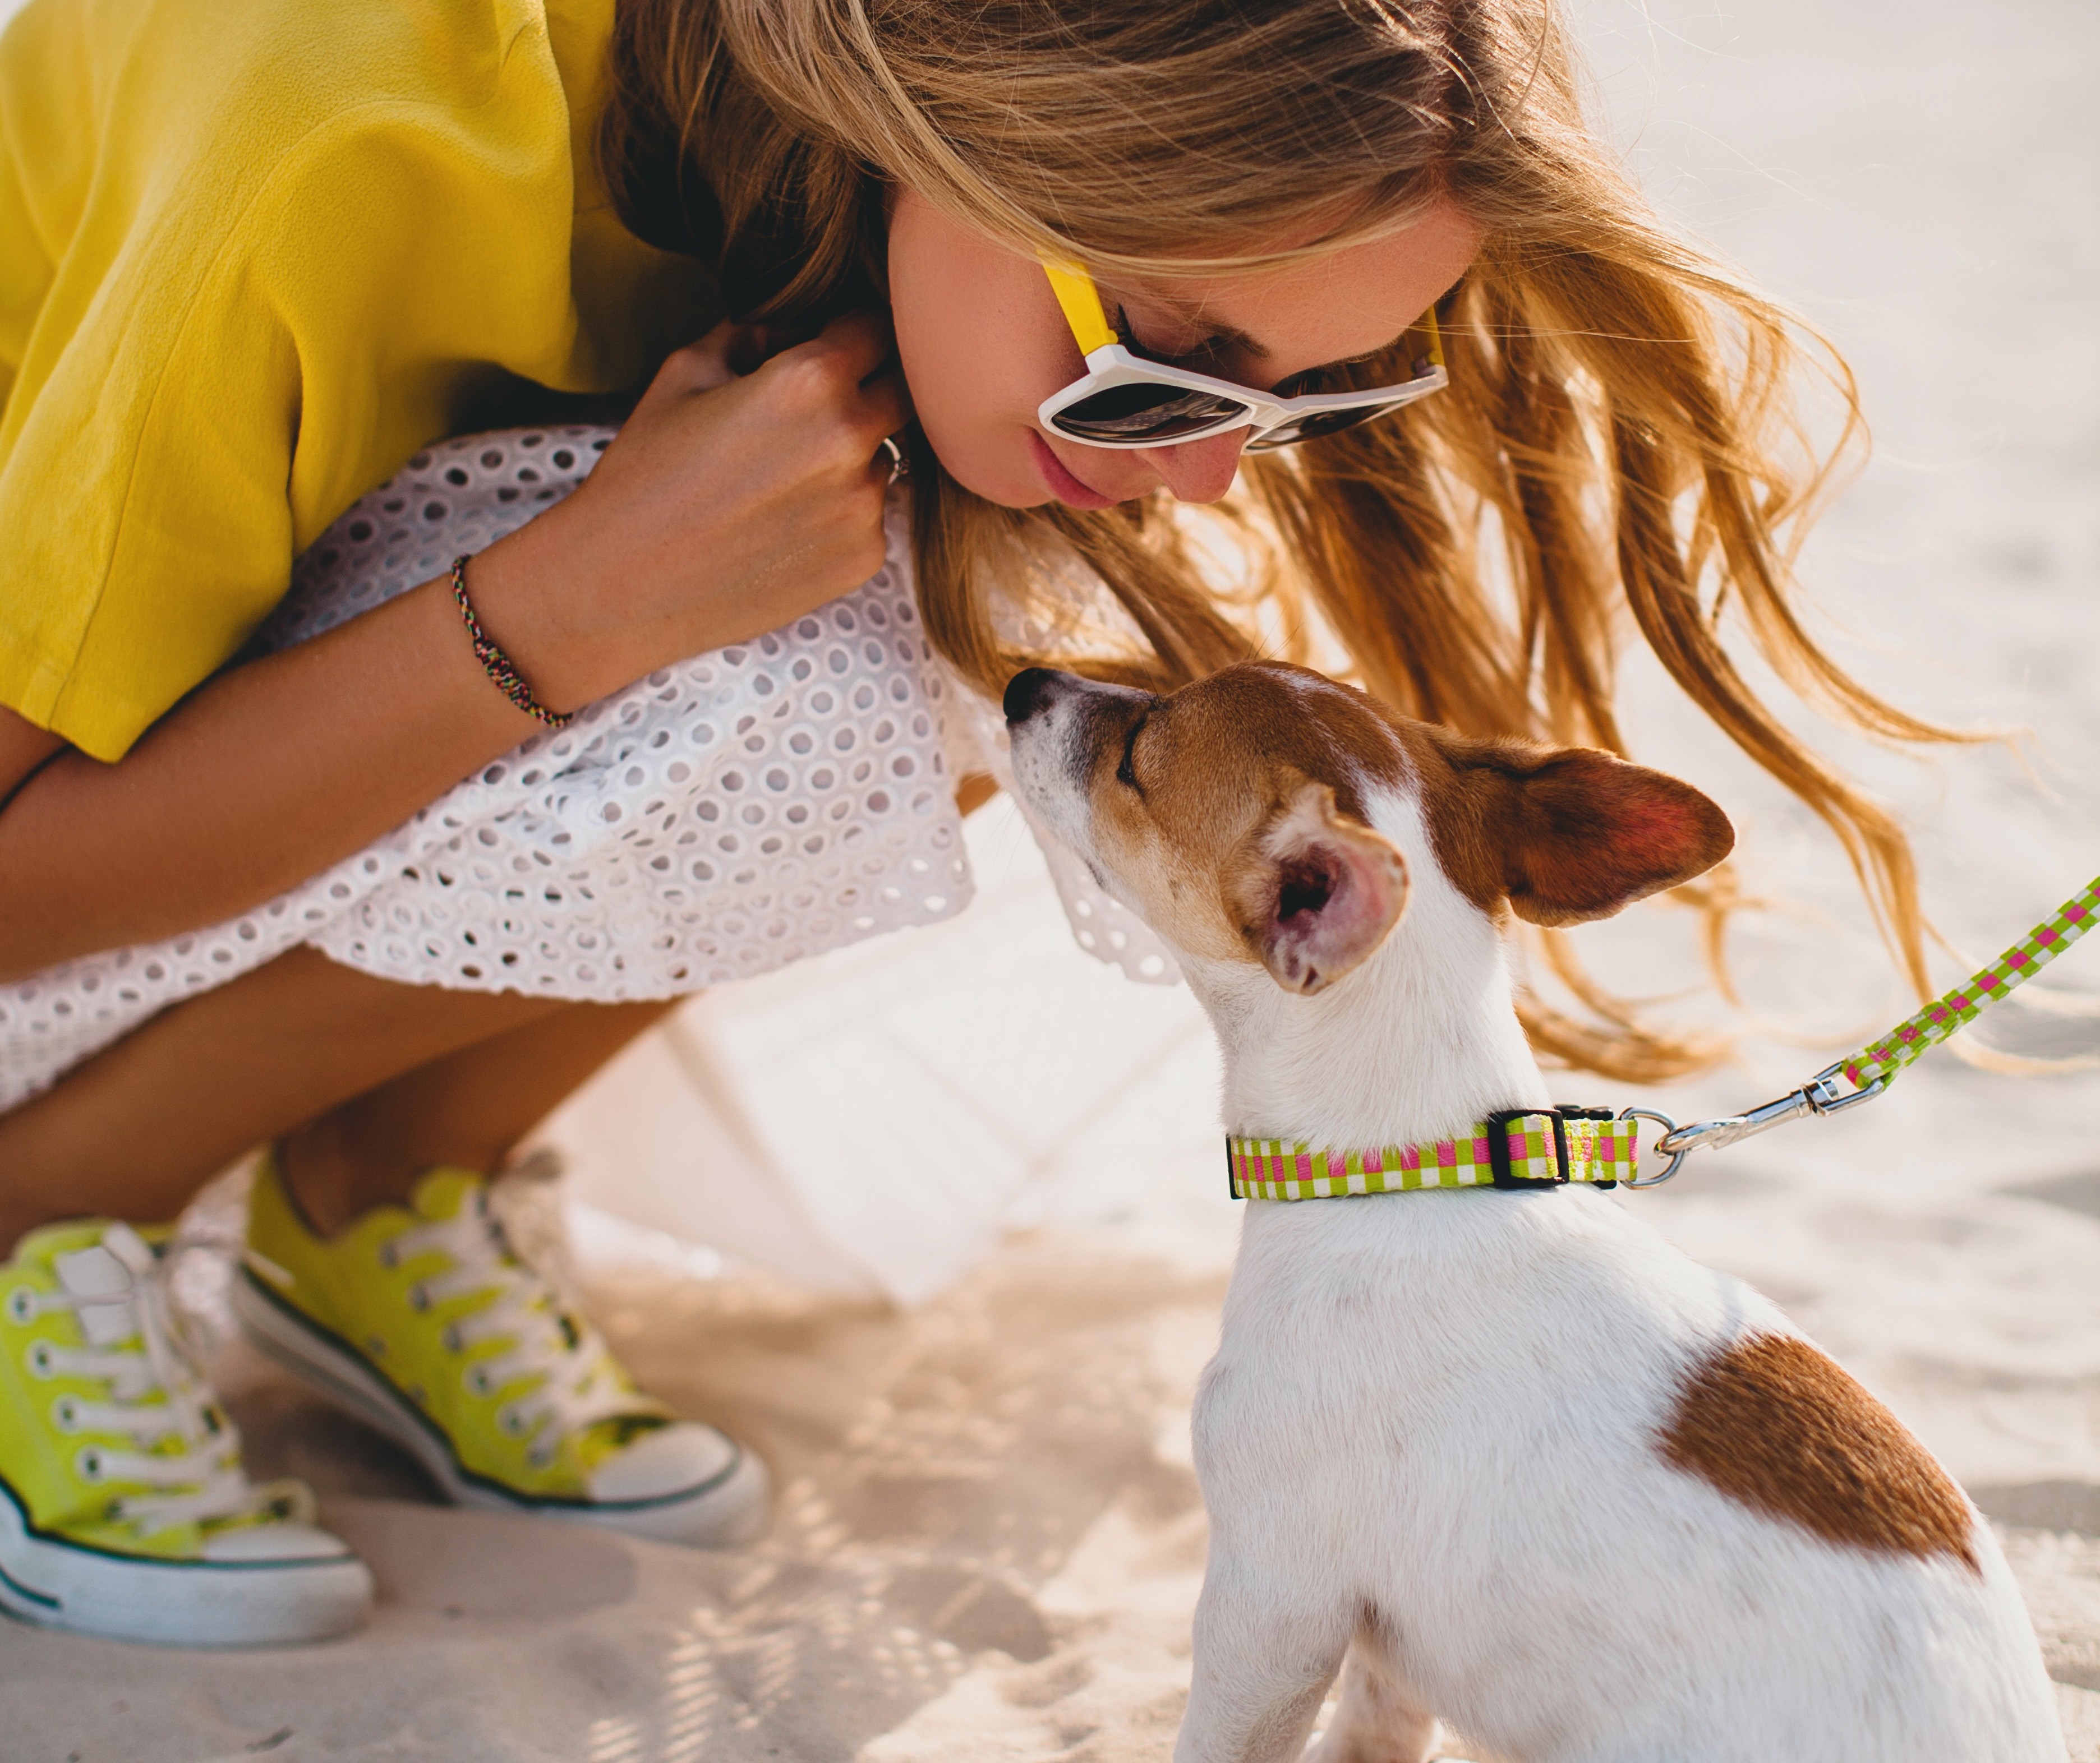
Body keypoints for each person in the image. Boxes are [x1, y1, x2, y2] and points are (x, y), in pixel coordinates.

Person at [0, 0, 1961, 1646]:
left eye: (1300, 401)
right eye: (1172, 357)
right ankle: (39, 1211)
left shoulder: (824, 152)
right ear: (992, 122)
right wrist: (573, 608)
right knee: (822, 659)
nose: (1204, 475)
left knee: (973, 619)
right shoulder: (319, 120)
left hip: (223, 776)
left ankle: (368, 1202)